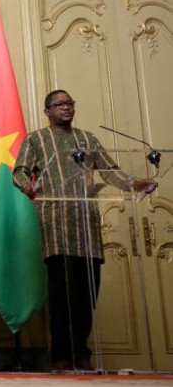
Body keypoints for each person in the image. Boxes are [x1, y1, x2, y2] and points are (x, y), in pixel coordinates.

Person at [12, 89, 156, 371]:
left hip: (86, 224)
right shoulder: (36, 139)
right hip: (56, 222)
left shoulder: (88, 139)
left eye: (69, 103)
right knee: (63, 292)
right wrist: (26, 185)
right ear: (47, 111)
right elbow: (19, 171)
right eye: (59, 104)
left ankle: (81, 354)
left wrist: (138, 184)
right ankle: (61, 356)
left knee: (87, 293)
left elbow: (110, 172)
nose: (66, 107)